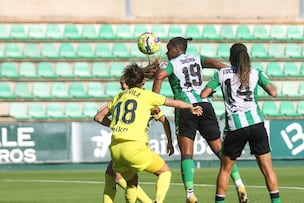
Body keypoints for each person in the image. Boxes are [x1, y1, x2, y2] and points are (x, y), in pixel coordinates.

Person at [152, 37, 247, 203]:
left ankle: (190, 194)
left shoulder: (172, 63)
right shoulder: (197, 58)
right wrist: (232, 75)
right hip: (205, 105)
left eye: (168, 49)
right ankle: (239, 184)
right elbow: (217, 64)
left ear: (176, 48)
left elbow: (160, 76)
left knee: (187, 153)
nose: (167, 52)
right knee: (221, 150)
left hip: (186, 107)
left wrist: (154, 101)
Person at [95, 63, 203, 203]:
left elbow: (98, 117)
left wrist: (117, 126)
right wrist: (190, 106)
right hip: (134, 146)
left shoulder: (118, 97)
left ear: (127, 82)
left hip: (115, 148)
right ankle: (157, 201)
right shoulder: (147, 96)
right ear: (143, 82)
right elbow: (172, 103)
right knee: (164, 171)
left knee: (130, 182)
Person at [200, 43, 281, 203]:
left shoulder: (221, 73)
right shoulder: (256, 72)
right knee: (267, 169)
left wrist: (219, 91)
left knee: (225, 169)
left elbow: (204, 94)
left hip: (235, 126)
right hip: (256, 124)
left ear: (231, 58)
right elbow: (273, 92)